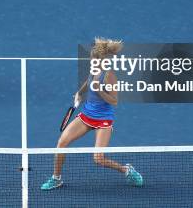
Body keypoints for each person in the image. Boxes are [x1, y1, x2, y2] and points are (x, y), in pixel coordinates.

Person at [41, 37, 143, 190]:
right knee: (61, 143)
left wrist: (100, 90)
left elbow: (114, 101)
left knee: (98, 159)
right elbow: (88, 82)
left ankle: (127, 170)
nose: (91, 61)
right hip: (87, 115)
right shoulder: (94, 69)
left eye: (93, 59)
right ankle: (56, 178)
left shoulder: (109, 76)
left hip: (103, 119)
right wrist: (79, 93)